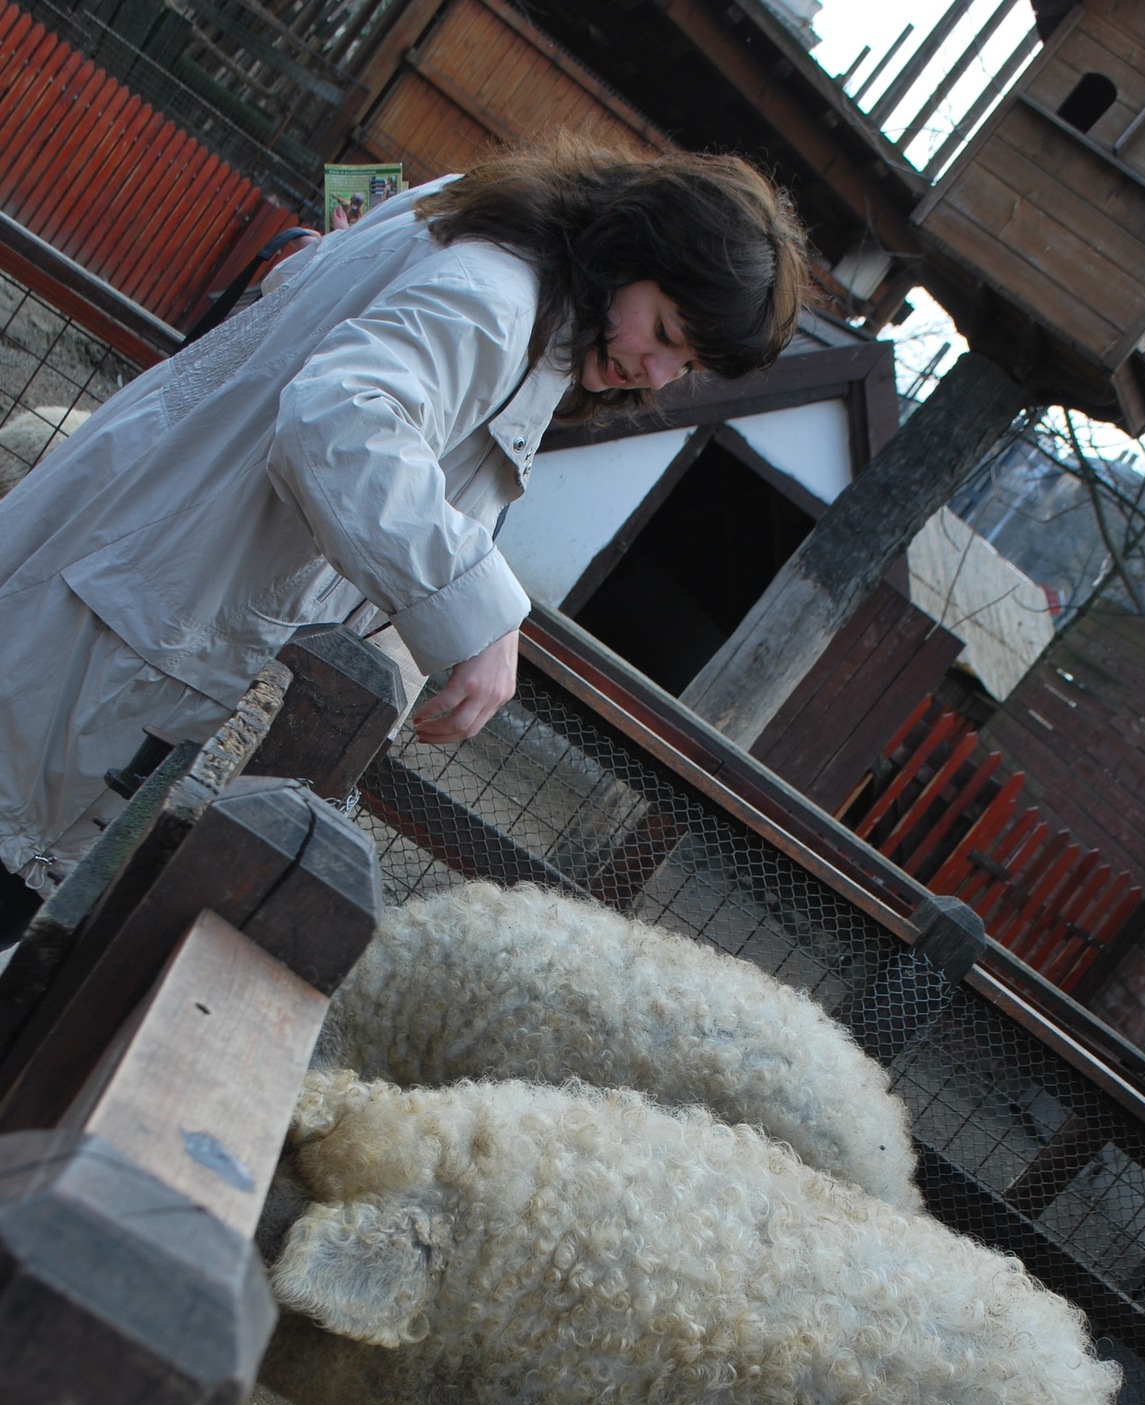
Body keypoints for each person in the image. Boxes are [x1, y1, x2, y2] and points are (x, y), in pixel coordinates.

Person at [0, 138, 807, 943]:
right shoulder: (495, 302)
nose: (659, 374)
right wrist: (478, 607)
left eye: (685, 363)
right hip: (119, 642)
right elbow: (340, 420)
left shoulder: (469, 226)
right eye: (663, 331)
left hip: (119, 591)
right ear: (628, 251)